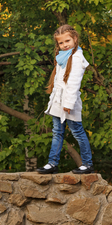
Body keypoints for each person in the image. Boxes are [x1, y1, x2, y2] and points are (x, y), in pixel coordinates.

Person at [37, 24, 94, 175]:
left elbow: (73, 84)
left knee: (77, 133)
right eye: (61, 43)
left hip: (69, 103)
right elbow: (58, 83)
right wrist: (53, 102)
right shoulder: (62, 58)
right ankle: (52, 163)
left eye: (67, 41)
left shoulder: (76, 58)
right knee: (57, 132)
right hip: (58, 103)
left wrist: (68, 104)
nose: (64, 45)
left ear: (75, 39)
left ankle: (87, 164)